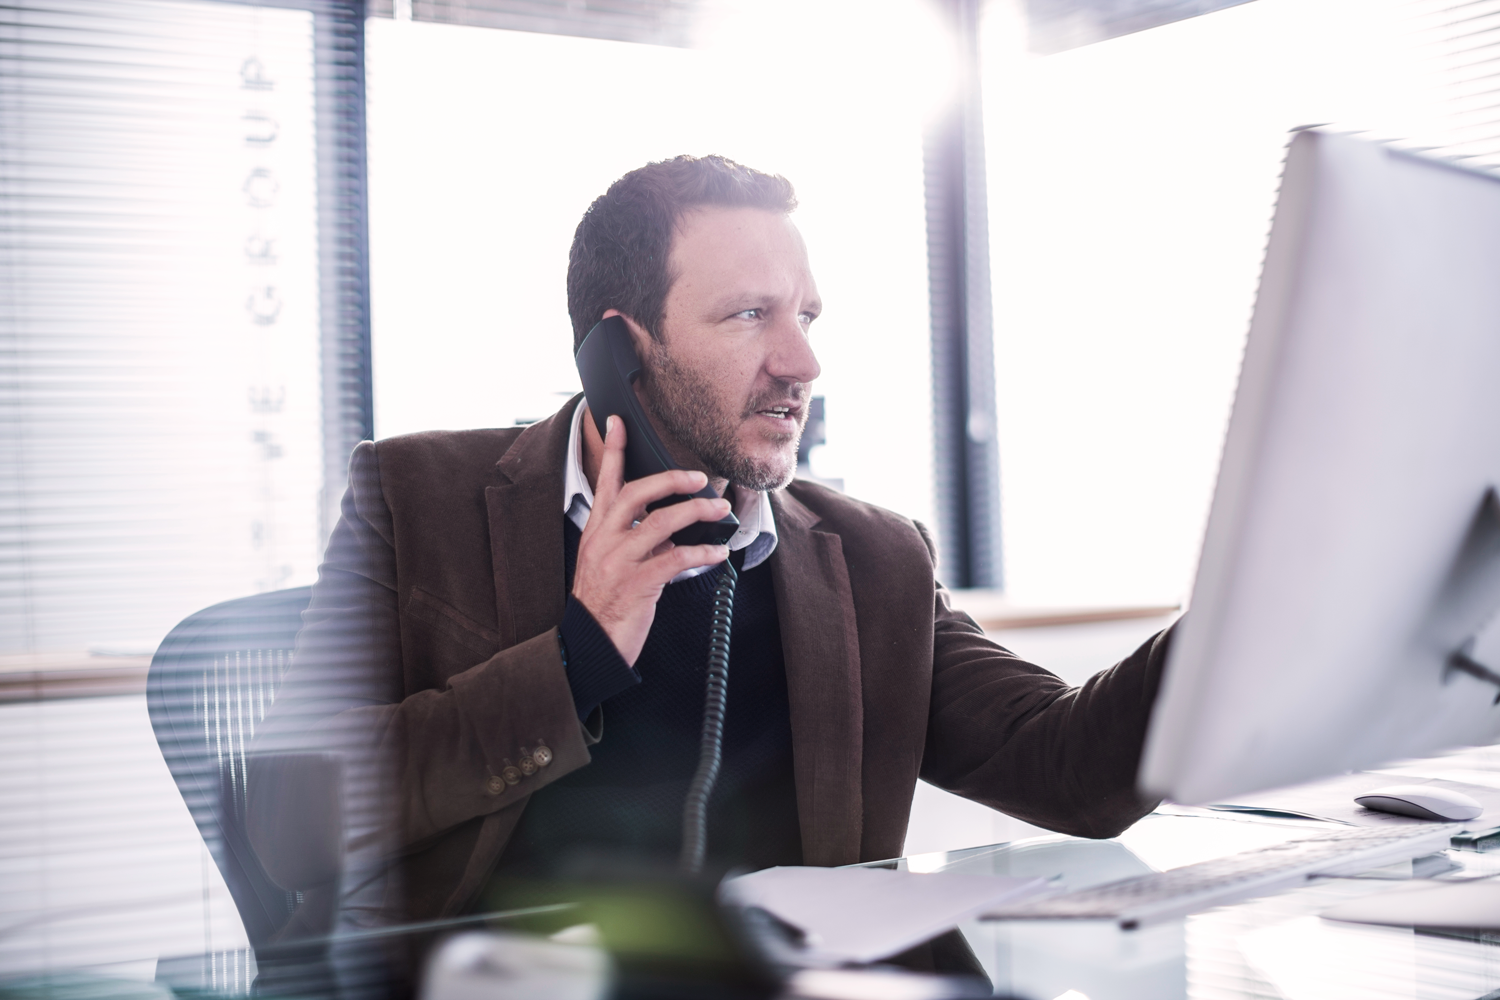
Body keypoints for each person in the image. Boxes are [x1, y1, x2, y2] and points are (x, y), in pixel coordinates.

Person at [250, 154, 1174, 939]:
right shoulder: (419, 501)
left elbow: (1075, 774)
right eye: (749, 316)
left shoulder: (876, 560)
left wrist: (1255, 598)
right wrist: (580, 654)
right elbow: (289, 824)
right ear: (621, 348)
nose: (801, 363)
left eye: (805, 318)